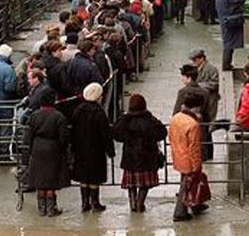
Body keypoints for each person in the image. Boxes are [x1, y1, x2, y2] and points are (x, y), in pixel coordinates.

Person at [112, 93, 167, 213]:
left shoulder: (126, 120)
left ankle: (132, 203)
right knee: (144, 184)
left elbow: (116, 133)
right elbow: (162, 132)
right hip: (147, 158)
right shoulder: (149, 120)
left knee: (131, 184)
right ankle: (140, 203)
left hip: (130, 158)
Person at [71, 82, 115, 213]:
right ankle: (95, 202)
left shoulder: (78, 111)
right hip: (96, 149)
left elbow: (73, 131)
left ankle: (85, 202)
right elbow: (105, 134)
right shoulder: (99, 113)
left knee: (83, 177)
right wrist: (110, 150)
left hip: (80, 149)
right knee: (95, 177)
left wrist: (73, 148)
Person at [26, 89, 70, 217]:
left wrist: (29, 151)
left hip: (37, 148)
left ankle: (41, 209)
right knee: (51, 181)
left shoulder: (34, 115)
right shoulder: (59, 116)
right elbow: (63, 138)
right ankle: (51, 209)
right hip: (53, 149)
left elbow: (29, 135)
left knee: (40, 180)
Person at [170, 92, 206, 222]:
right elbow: (194, 148)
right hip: (189, 161)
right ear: (197, 107)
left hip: (178, 155)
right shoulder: (193, 124)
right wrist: (197, 165)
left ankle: (195, 205)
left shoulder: (176, 118)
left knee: (185, 184)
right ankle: (180, 212)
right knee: (186, 187)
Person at [173, 64, 213, 160]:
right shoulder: (205, 92)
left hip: (185, 125)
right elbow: (207, 113)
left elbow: (176, 112)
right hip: (201, 126)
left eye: (183, 76)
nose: (182, 79)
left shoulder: (183, 92)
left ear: (188, 78)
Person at [215, 0, 246, 71]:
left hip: (224, 22)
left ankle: (227, 64)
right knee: (229, 45)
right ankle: (226, 65)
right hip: (230, 23)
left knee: (228, 44)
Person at [189, 48, 219, 123]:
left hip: (210, 99)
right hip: (198, 99)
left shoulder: (211, 69)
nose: (193, 62)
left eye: (195, 60)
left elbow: (215, 84)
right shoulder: (194, 68)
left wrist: (199, 85)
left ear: (202, 58)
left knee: (209, 120)